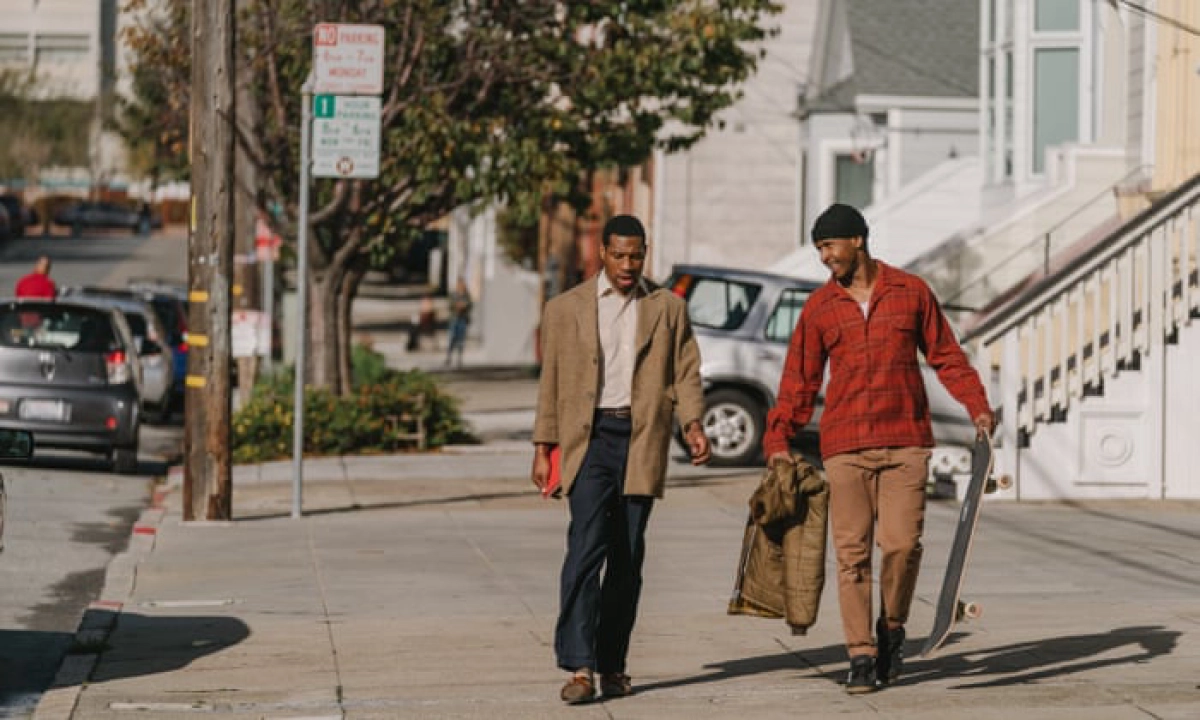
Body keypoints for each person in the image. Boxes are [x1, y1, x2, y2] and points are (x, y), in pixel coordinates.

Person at [763, 203, 994, 694]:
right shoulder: (820, 308)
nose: (824, 257)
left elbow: (947, 356)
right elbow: (798, 381)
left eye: (829, 246)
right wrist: (779, 437)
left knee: (902, 546)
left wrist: (976, 404)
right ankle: (860, 656)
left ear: (857, 241)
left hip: (906, 441)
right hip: (845, 445)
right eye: (819, 249)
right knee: (851, 555)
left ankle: (892, 627)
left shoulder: (911, 292)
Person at [531, 214, 712, 705]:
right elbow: (552, 384)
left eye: (637, 255)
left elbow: (686, 371)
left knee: (627, 557)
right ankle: (580, 665)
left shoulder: (667, 309)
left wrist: (693, 424)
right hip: (588, 441)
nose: (628, 264)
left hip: (641, 440)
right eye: (619, 255)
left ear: (644, 254)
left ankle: (613, 665)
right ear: (603, 253)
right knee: (586, 549)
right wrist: (543, 445)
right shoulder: (565, 308)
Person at [444, 278, 472, 366]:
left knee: (461, 340)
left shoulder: (466, 295)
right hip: (455, 318)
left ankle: (459, 358)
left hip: (463, 319)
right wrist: (456, 306)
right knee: (452, 338)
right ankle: (448, 357)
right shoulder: (454, 295)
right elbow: (450, 305)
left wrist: (464, 305)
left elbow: (470, 305)